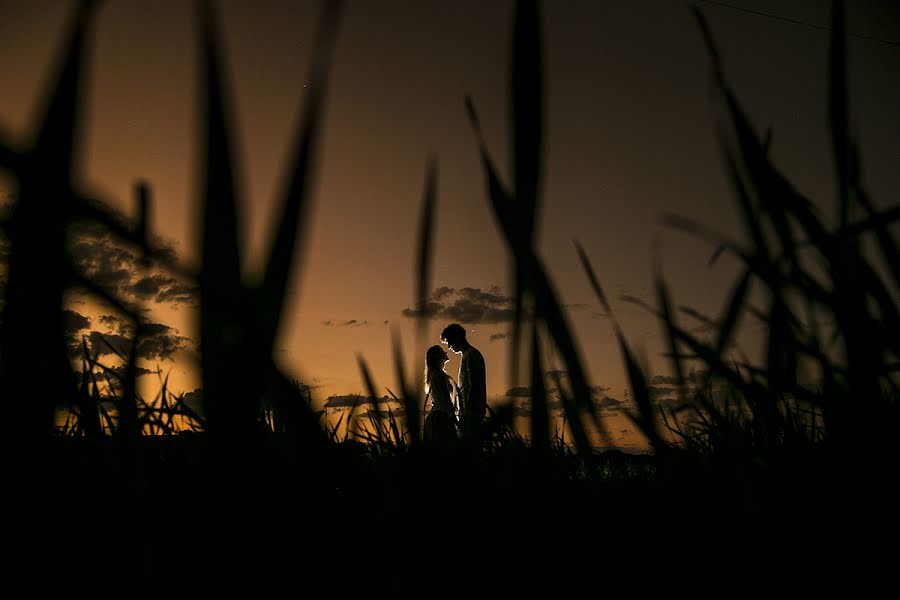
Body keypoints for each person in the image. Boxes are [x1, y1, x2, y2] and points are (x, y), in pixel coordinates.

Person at [440, 323, 486, 439]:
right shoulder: (466, 355)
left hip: (471, 412)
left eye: (450, 341)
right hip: (466, 412)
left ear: (458, 337)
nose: (449, 346)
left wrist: (468, 411)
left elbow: (474, 384)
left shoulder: (472, 355)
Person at [423, 344, 459, 445]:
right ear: (438, 357)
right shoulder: (440, 374)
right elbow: (446, 398)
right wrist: (455, 419)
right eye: (442, 351)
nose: (446, 352)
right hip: (441, 416)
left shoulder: (433, 375)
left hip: (434, 415)